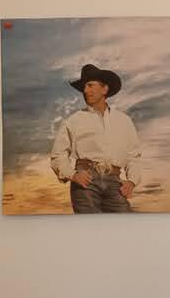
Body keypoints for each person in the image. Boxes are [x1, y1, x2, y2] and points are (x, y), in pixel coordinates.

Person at [48, 62, 142, 213]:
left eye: (90, 85)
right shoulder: (74, 120)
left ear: (105, 89)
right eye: (84, 87)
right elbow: (58, 155)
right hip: (86, 182)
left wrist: (131, 182)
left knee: (123, 229)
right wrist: (73, 175)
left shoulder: (124, 120)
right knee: (89, 230)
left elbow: (133, 156)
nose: (85, 91)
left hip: (115, 182)